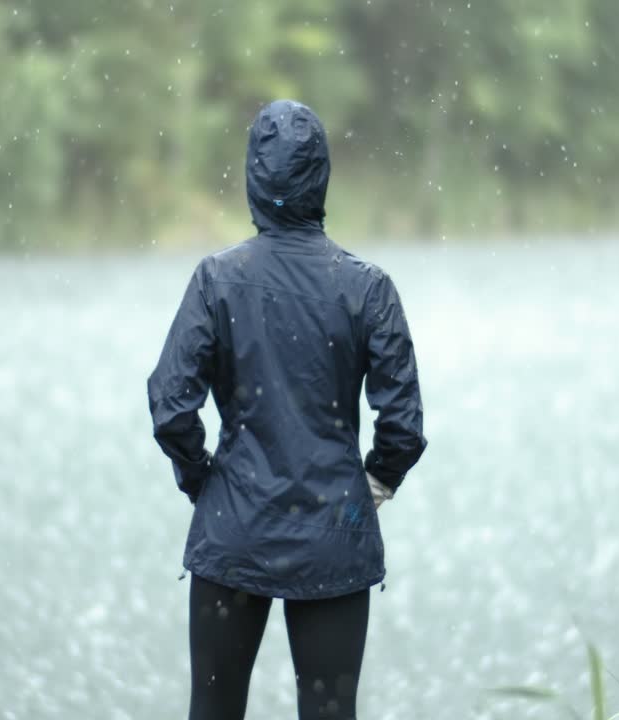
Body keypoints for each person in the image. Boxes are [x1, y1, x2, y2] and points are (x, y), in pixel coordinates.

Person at [146, 99, 427, 720]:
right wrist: (377, 479)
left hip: (233, 530)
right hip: (335, 532)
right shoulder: (366, 287)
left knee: (213, 711)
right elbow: (402, 423)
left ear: (254, 179)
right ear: (322, 178)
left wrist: (203, 480)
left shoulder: (217, 280)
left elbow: (171, 406)